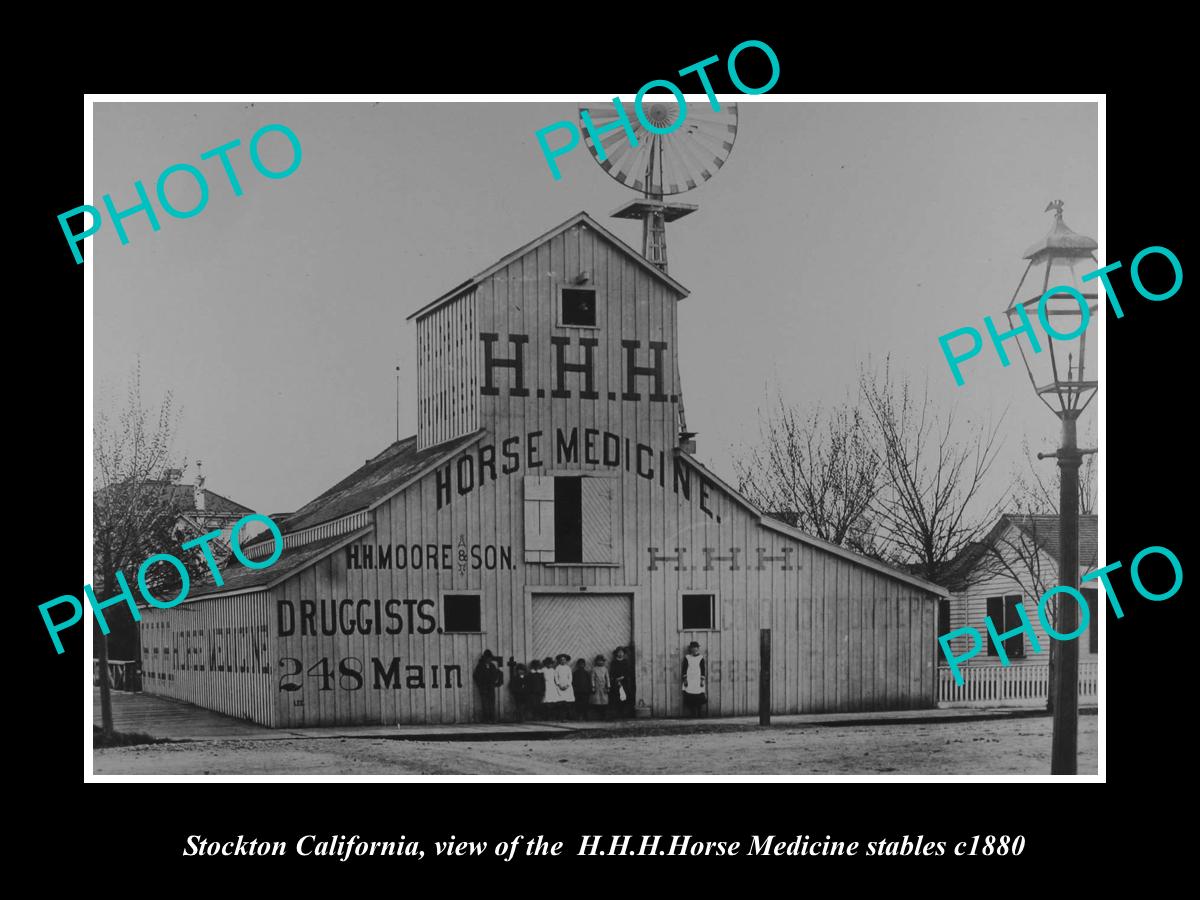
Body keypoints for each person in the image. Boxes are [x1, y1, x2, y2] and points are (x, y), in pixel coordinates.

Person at [473, 650, 504, 723]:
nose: (489, 660)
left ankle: (492, 718)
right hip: (483, 688)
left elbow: (496, 674)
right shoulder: (480, 666)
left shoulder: (492, 666)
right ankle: (486, 719)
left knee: (491, 703)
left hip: (491, 687)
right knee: (485, 704)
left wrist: (493, 681)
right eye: (488, 658)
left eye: (490, 658)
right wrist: (480, 684)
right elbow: (476, 676)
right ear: (485, 658)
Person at [681, 641, 707, 717]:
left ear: (698, 649)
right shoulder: (687, 657)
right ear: (690, 649)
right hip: (690, 679)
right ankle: (693, 713)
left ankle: (699, 713)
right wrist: (685, 679)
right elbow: (684, 669)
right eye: (693, 648)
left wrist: (702, 680)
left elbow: (703, 669)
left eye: (696, 648)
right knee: (690, 696)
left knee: (699, 695)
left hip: (697, 679)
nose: (694, 650)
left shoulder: (701, 658)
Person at [610, 646, 634, 718]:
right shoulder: (614, 662)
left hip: (624, 681)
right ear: (616, 653)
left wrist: (623, 677)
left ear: (624, 653)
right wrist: (616, 679)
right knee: (616, 696)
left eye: (621, 652)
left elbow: (628, 671)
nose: (620, 654)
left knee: (625, 696)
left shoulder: (626, 662)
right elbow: (612, 672)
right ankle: (618, 713)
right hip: (616, 681)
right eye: (618, 652)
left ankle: (624, 713)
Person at [553, 653, 575, 720]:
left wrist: (567, 685)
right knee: (561, 703)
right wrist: (559, 685)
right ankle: (562, 717)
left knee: (568, 703)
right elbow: (556, 677)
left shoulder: (568, 668)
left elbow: (570, 677)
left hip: (567, 687)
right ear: (559, 661)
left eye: (564, 660)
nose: (563, 661)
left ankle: (569, 717)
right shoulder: (557, 668)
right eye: (561, 660)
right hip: (560, 687)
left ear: (566, 661)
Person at [590, 654, 611, 719]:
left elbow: (607, 678)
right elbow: (592, 678)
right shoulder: (594, 669)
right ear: (596, 662)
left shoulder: (605, 669)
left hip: (603, 686)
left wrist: (608, 686)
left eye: (601, 661)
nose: (600, 662)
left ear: (603, 662)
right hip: (597, 686)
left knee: (604, 700)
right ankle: (598, 714)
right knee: (597, 700)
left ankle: (603, 714)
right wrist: (593, 686)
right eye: (599, 661)